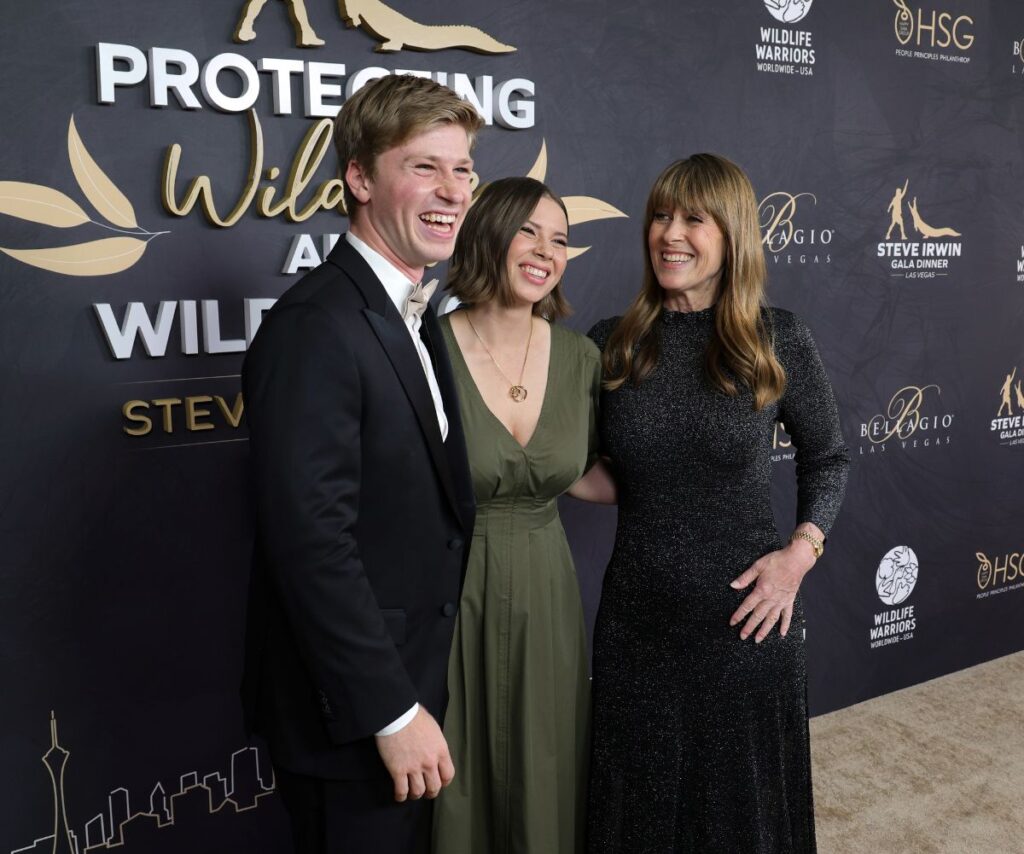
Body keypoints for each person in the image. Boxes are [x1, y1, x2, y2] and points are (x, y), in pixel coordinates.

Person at [241, 74, 483, 854]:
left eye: (464, 169)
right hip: (351, 716)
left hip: (406, 688)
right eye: (424, 167)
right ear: (358, 177)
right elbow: (311, 545)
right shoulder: (316, 325)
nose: (453, 191)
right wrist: (392, 711)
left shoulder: (410, 311)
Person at [586, 154, 849, 853]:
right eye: (661, 217)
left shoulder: (776, 337)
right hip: (637, 623)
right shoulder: (611, 344)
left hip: (746, 623)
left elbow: (828, 460)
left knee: (743, 817)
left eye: (693, 219)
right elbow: (586, 470)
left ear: (732, 235)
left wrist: (799, 555)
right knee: (634, 810)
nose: (670, 234)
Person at [431, 177, 614, 854]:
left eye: (561, 238)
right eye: (528, 231)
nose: (546, 250)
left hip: (547, 591)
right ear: (487, 234)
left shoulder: (580, 358)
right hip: (450, 591)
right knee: (457, 775)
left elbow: (586, 475)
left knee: (546, 767)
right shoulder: (425, 349)